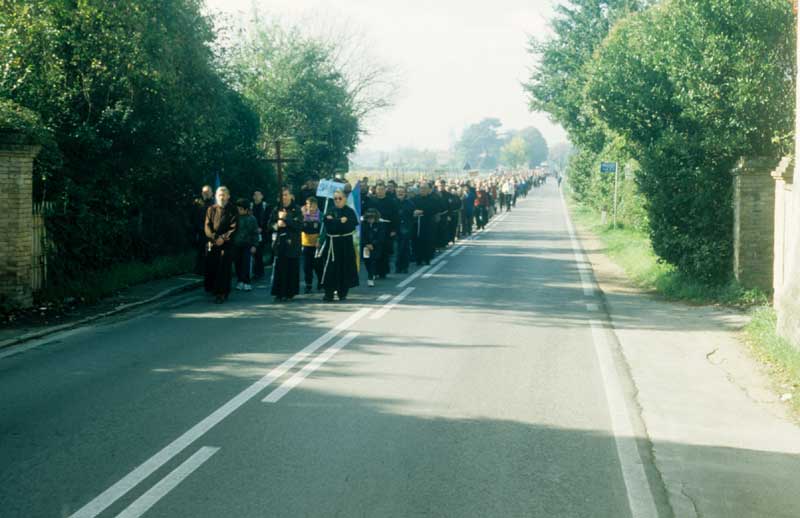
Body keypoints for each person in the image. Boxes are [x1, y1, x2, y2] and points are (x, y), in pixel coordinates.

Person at [320, 189, 359, 302]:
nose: (337, 201)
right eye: (335, 199)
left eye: (340, 198)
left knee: (345, 267)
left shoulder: (350, 211)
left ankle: (343, 292)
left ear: (345, 199)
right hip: (332, 244)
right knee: (330, 268)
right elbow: (329, 227)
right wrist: (340, 222)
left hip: (345, 244)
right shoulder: (330, 211)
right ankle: (329, 293)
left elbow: (351, 226)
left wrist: (339, 222)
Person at [204, 186, 238, 304]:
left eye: (224, 195)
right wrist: (214, 237)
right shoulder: (211, 209)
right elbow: (207, 226)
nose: (222, 197)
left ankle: (222, 293)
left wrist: (223, 238)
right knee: (213, 266)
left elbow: (234, 227)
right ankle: (214, 290)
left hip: (227, 244)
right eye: (219, 195)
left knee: (224, 268)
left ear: (228, 196)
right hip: (213, 243)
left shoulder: (233, 209)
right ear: (216, 196)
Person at [269, 188, 302, 302]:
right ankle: (279, 292)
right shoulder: (275, 209)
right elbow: (269, 225)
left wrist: (286, 218)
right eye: (282, 195)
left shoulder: (297, 209)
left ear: (290, 196)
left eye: (286, 195)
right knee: (279, 268)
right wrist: (277, 225)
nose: (284, 197)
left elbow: (299, 225)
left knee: (291, 268)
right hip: (280, 243)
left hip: (292, 243)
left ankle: (290, 292)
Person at [365, 183, 398, 279]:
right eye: (378, 189)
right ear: (376, 190)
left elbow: (395, 216)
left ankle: (383, 271)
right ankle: (374, 271)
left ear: (385, 190)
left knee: (384, 251)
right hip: (374, 229)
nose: (380, 191)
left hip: (387, 229)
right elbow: (366, 213)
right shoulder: (371, 201)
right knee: (374, 251)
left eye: (382, 189)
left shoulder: (391, 201)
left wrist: (394, 229)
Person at [233, 199, 260, 292]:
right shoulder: (235, 218)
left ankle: (247, 282)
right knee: (238, 263)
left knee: (246, 263)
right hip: (236, 244)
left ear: (246, 209)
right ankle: (240, 280)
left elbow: (255, 233)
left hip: (247, 244)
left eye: (241, 209)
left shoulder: (252, 219)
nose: (239, 211)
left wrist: (254, 245)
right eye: (238, 209)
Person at [412, 183, 439, 265]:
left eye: (425, 188)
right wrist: (415, 212)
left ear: (428, 190)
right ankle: (418, 258)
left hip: (428, 222)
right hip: (417, 223)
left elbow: (435, 209)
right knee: (417, 241)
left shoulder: (433, 199)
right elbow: (411, 207)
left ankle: (427, 258)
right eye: (421, 188)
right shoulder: (415, 198)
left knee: (427, 241)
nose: (423, 190)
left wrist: (423, 211)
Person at [301, 197, 323, 294]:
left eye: (313, 205)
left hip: (317, 244)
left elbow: (323, 230)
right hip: (306, 244)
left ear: (316, 205)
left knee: (318, 265)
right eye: (309, 205)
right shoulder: (302, 215)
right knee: (307, 266)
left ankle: (320, 282)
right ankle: (308, 284)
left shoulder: (321, 215)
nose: (311, 207)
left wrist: (320, 240)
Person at [361, 208, 385, 287]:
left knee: (373, 261)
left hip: (376, 246)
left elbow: (381, 236)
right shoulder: (363, 224)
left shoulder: (380, 224)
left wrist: (373, 244)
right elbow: (362, 235)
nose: (370, 220)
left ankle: (370, 277)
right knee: (367, 261)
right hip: (366, 247)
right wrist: (366, 244)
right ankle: (370, 273)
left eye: (372, 218)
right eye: (368, 218)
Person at [193, 185, 214, 275]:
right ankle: (199, 270)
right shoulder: (198, 204)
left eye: (207, 192)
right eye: (204, 192)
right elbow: (195, 217)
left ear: (212, 193)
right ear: (202, 193)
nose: (205, 194)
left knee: (209, 251)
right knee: (201, 250)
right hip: (201, 231)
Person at [395, 186, 415, 274]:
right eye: (398, 192)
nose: (400, 193)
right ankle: (398, 267)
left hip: (406, 228)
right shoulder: (393, 202)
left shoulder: (410, 203)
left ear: (405, 193)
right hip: (395, 228)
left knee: (405, 248)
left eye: (402, 192)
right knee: (397, 249)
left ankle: (405, 266)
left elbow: (413, 216)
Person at [250, 189, 270, 279]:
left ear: (262, 196)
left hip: (261, 233)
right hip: (251, 233)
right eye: (255, 195)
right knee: (252, 253)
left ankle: (259, 272)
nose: (256, 196)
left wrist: (262, 228)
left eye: (258, 195)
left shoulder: (266, 206)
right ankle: (254, 271)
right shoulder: (250, 206)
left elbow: (268, 219)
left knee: (258, 252)